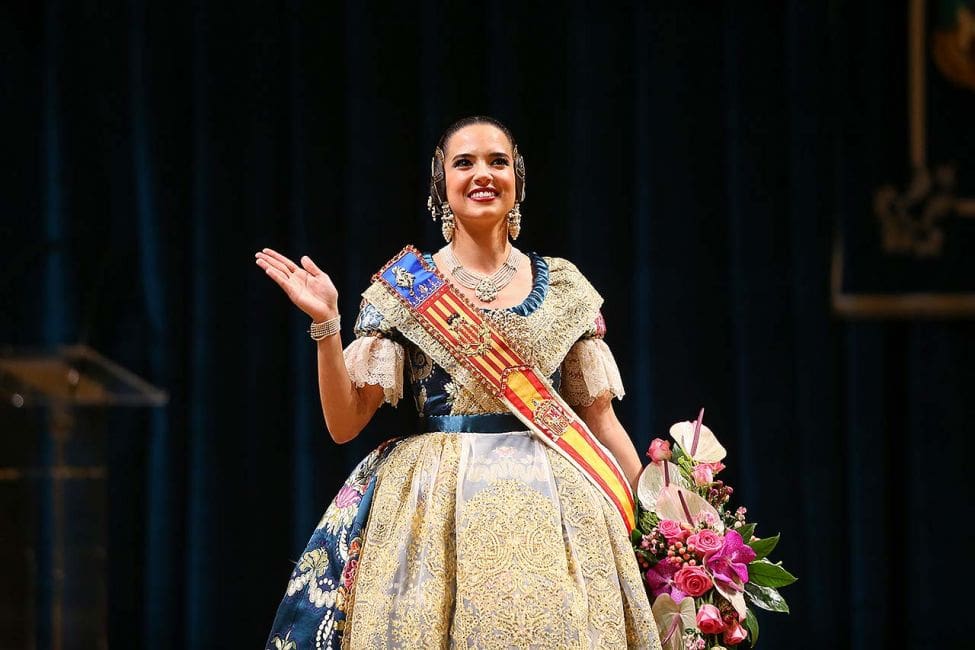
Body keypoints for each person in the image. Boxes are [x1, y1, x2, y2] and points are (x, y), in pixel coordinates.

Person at [256, 116, 660, 649]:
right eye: (464, 162)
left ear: (517, 177)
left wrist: (665, 526)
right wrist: (327, 325)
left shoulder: (565, 288)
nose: (482, 174)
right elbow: (344, 423)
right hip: (435, 510)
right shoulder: (406, 287)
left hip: (556, 508)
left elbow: (600, 420)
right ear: (441, 182)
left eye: (498, 161)